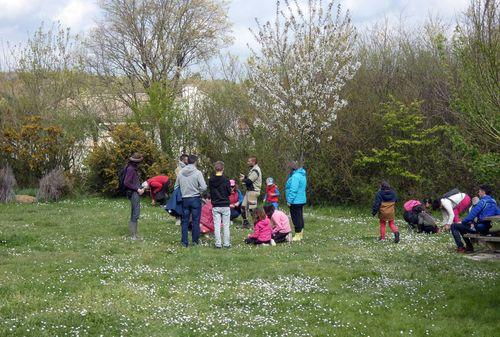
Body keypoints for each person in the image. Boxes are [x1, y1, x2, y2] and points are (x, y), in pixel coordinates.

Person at [451, 185, 500, 253]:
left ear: (483, 192)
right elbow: (498, 212)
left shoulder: (482, 202)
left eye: (479, 191)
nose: (478, 193)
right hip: (486, 228)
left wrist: (462, 222)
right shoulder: (493, 202)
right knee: (462, 227)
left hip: (478, 228)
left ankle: (461, 247)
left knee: (454, 226)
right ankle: (469, 247)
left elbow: (471, 216)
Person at [175, 155, 207, 247]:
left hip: (185, 199)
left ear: (187, 161)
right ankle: (195, 241)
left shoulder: (180, 173)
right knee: (196, 221)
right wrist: (198, 190)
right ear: (195, 162)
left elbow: (176, 186)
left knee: (184, 221)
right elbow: (204, 187)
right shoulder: (197, 173)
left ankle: (184, 242)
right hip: (195, 198)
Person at [209, 161, 232, 249]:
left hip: (215, 205)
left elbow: (211, 191)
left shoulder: (211, 180)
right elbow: (229, 193)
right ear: (223, 169)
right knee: (226, 225)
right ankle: (226, 243)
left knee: (217, 225)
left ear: (215, 169)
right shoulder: (226, 180)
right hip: (225, 204)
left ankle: (218, 244)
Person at [123, 153, 145, 240]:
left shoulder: (132, 168)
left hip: (134, 192)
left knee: (134, 213)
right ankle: (133, 235)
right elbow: (126, 182)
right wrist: (137, 189)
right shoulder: (131, 169)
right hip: (133, 193)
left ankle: (134, 234)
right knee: (135, 213)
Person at [285, 161, 307, 242]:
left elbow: (293, 189)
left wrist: (289, 200)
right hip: (301, 200)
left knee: (296, 218)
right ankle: (300, 234)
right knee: (300, 216)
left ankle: (297, 234)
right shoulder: (302, 175)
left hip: (295, 200)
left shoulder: (295, 176)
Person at [239, 156, 262, 228]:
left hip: (253, 191)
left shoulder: (256, 170)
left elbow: (249, 181)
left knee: (252, 209)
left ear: (253, 162)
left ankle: (257, 225)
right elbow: (250, 179)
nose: (247, 163)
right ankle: (246, 223)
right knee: (243, 206)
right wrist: (245, 177)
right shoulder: (253, 169)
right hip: (249, 191)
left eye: (249, 161)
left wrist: (243, 179)